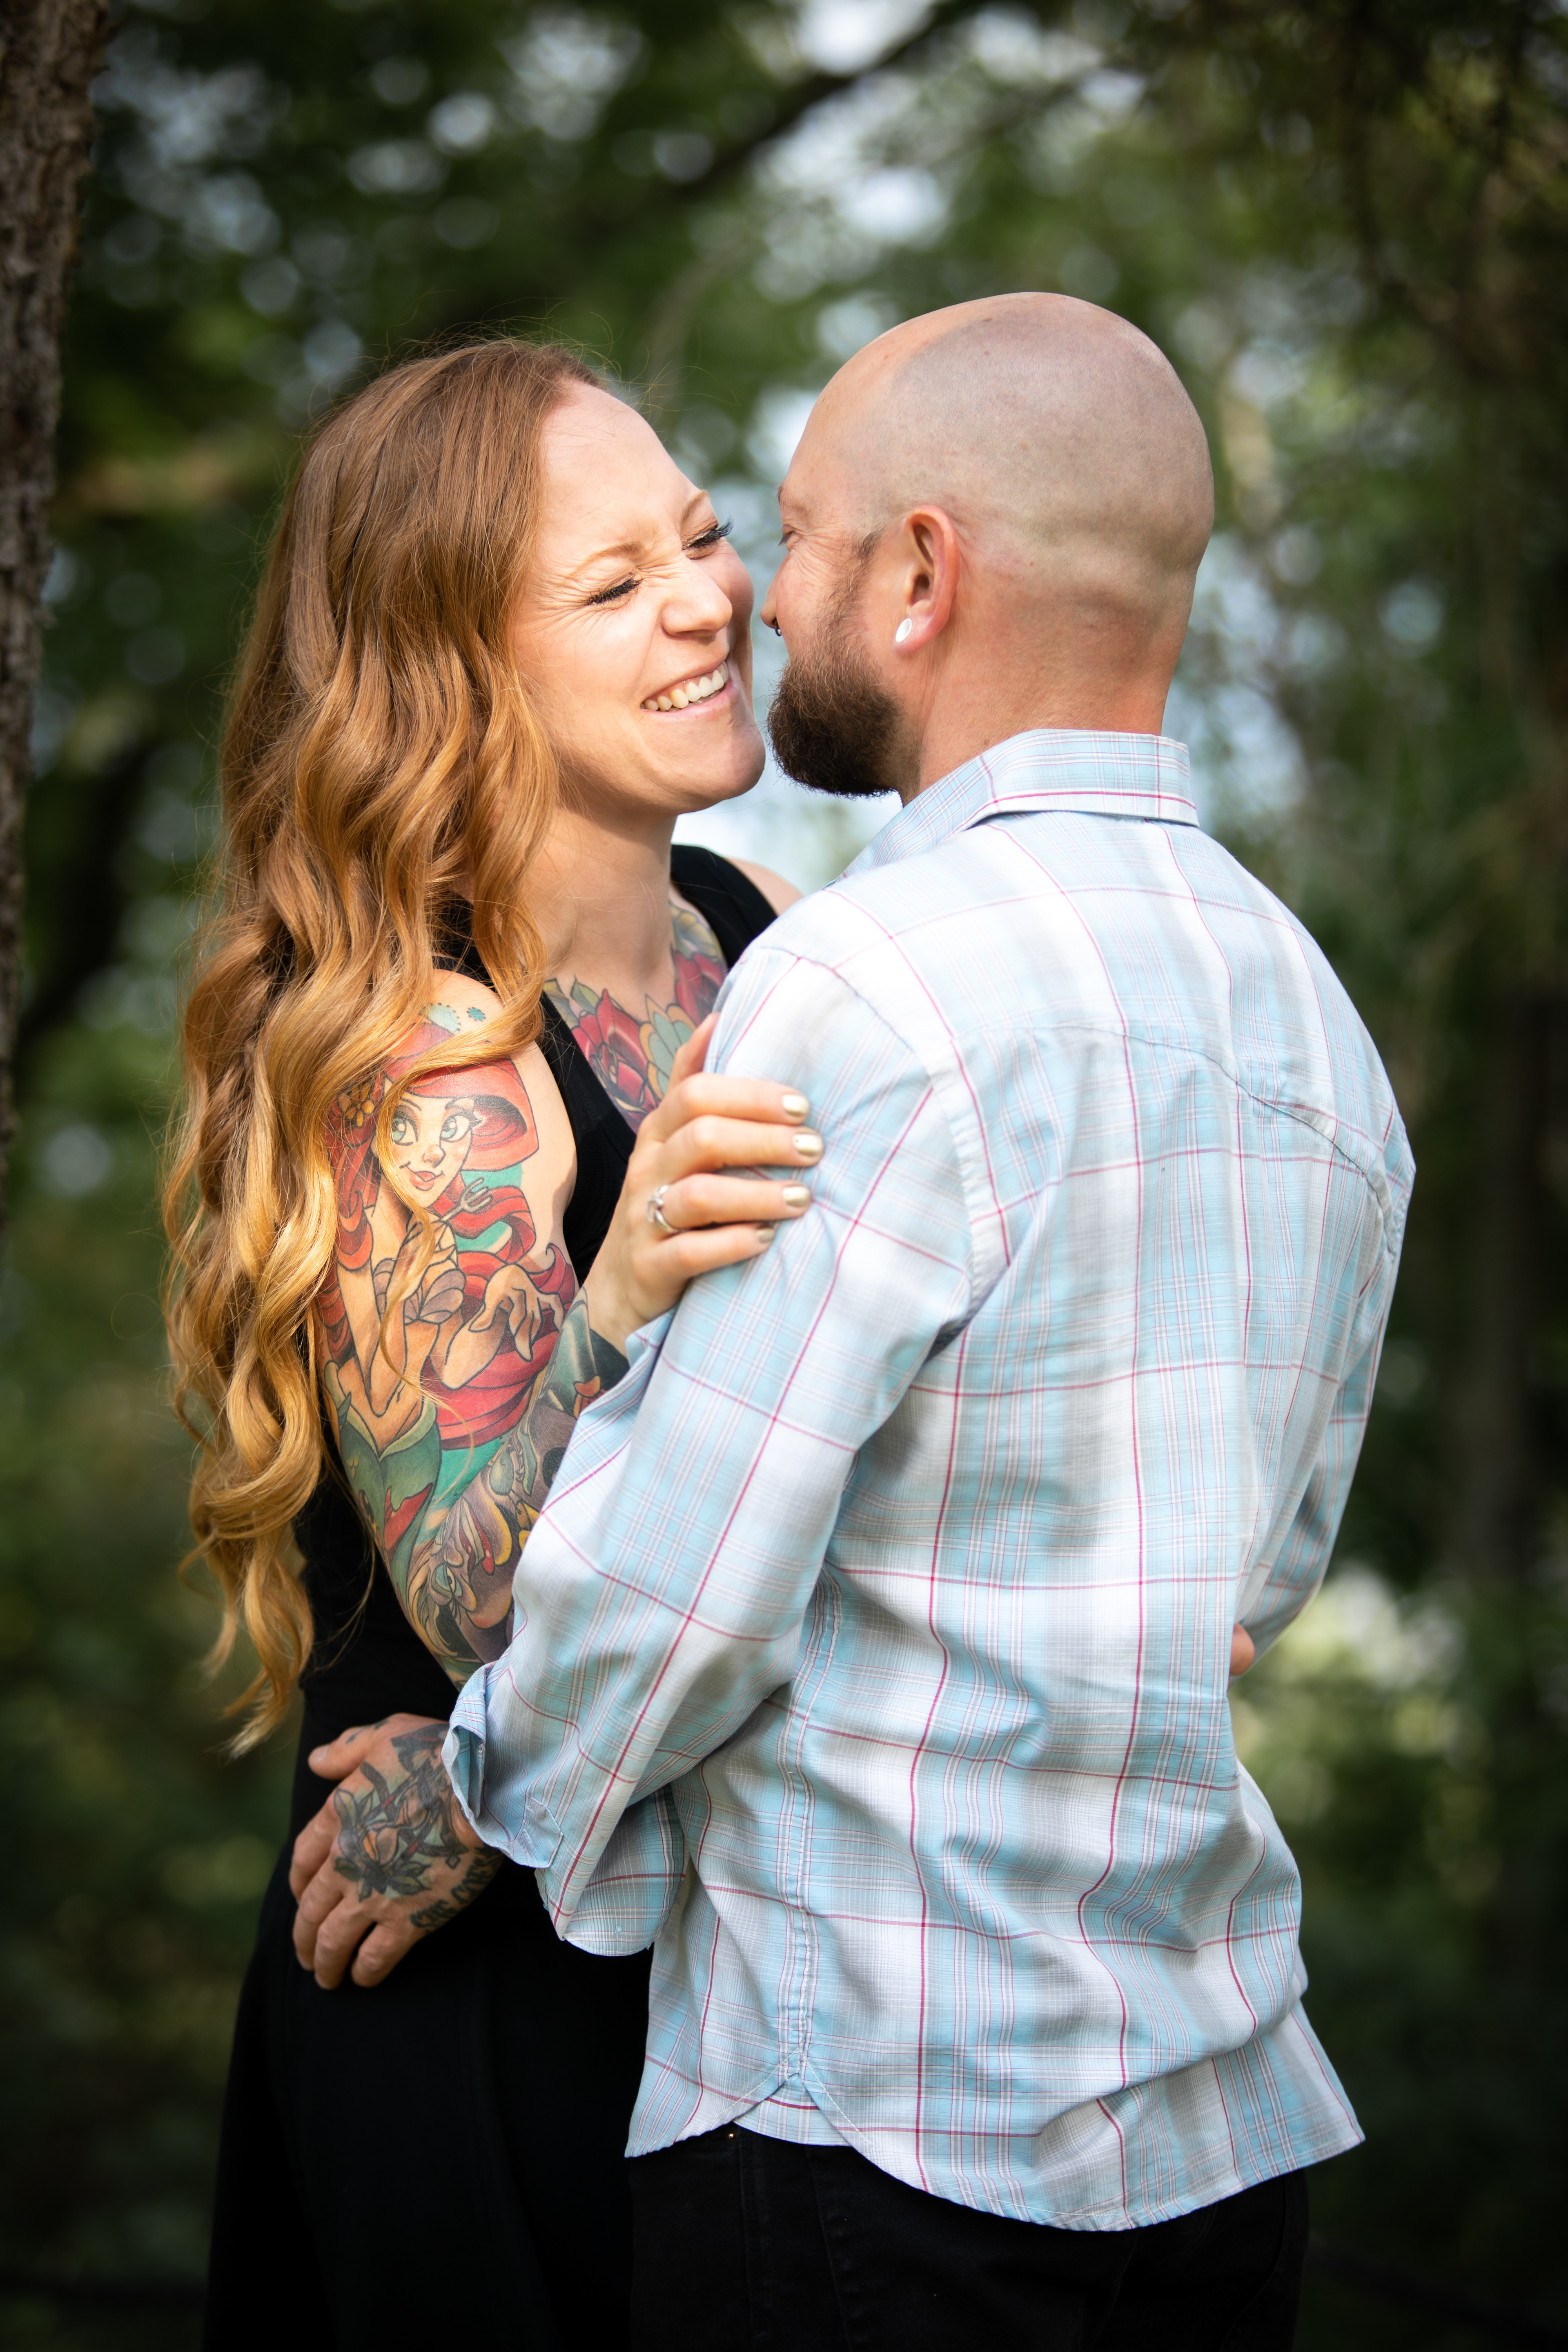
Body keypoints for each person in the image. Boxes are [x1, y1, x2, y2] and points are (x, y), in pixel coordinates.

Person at [443, 294, 1414, 2351]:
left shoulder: (869, 986)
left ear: (918, 575)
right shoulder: (1313, 1020)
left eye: (786, 535)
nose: (751, 599)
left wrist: (466, 1789)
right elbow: (1262, 1583)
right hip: (1217, 2144)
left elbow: (676, 1602)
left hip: (877, 2141)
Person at [163, 339, 820, 2352]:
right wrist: (613, 1298)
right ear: (452, 666)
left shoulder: (765, 928)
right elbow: (480, 1603)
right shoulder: (426, 1055)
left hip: (711, 1931)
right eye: (612, 587)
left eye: (701, 537)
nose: (709, 601)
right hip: (476, 2001)